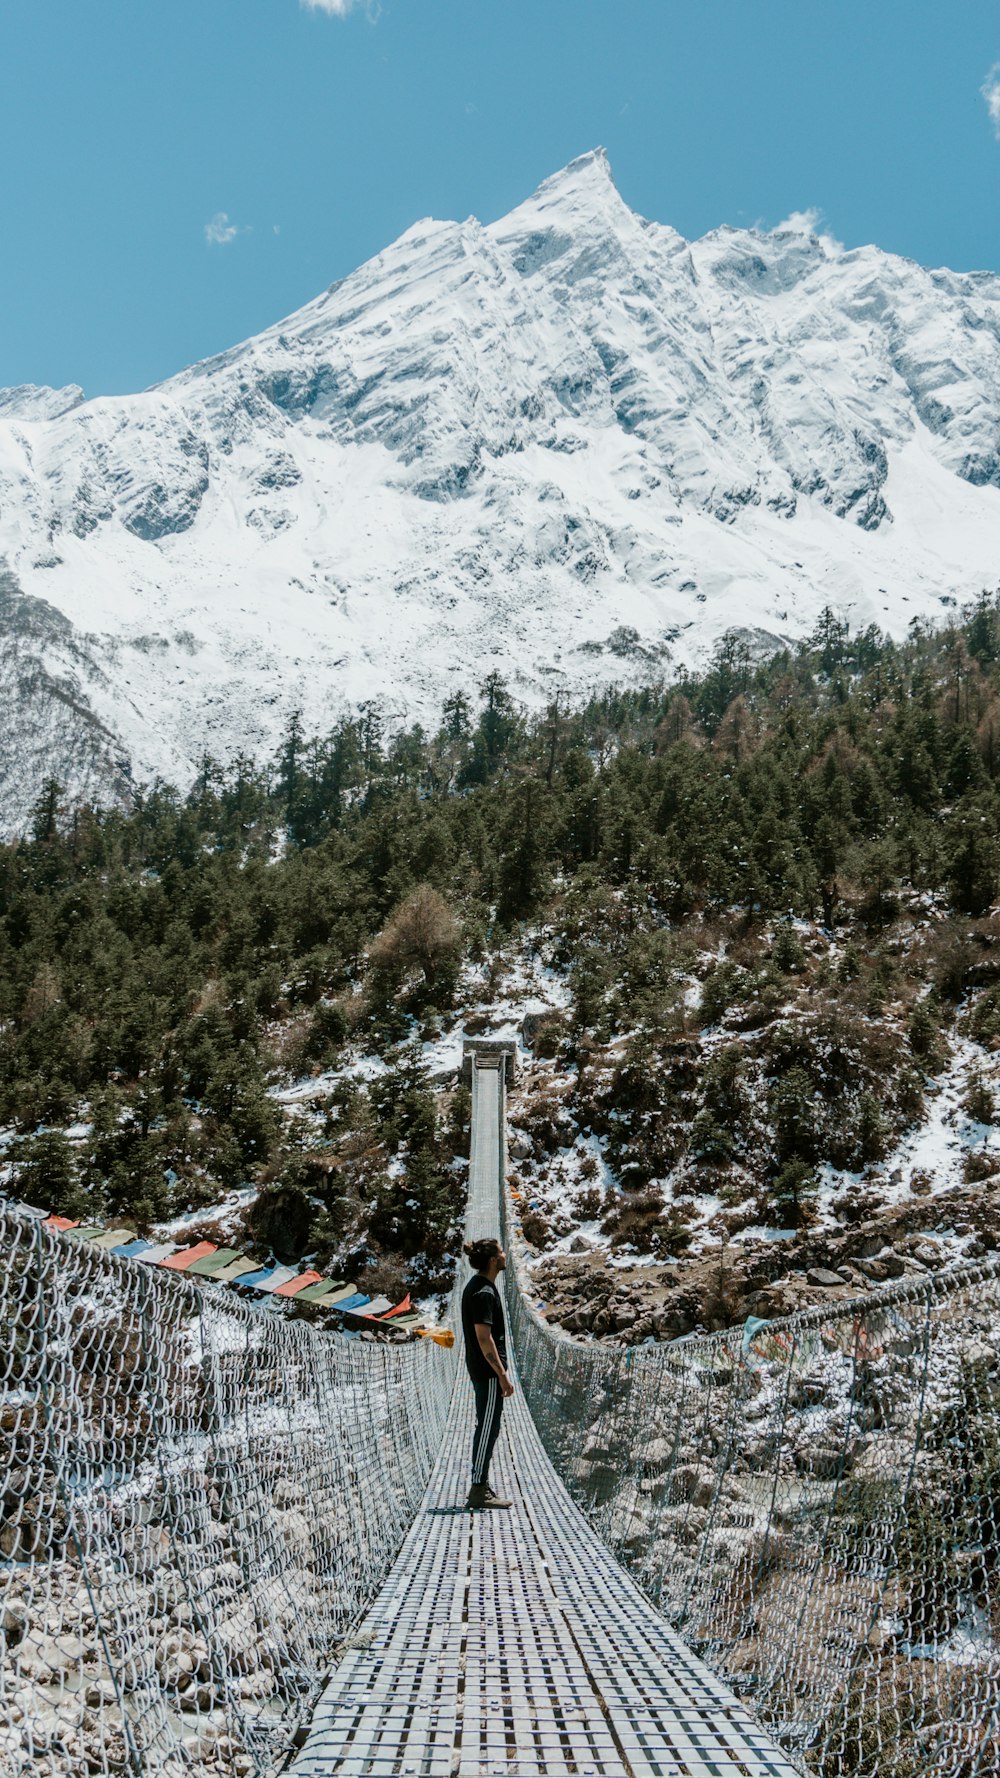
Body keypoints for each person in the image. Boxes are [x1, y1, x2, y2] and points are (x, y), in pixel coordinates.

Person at [460, 1236, 514, 1509]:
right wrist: (502, 1374)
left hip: (482, 1370)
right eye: (502, 1252)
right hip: (488, 1372)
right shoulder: (483, 1292)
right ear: (493, 1260)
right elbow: (484, 1338)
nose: (505, 1255)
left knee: (488, 1426)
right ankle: (478, 1489)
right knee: (487, 1428)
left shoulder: (480, 1287)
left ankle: (480, 1485)